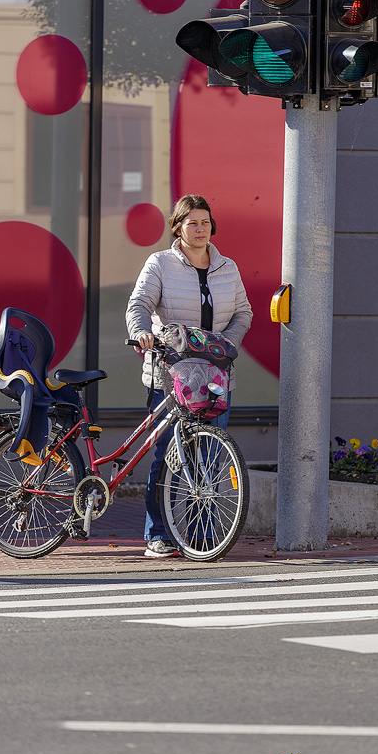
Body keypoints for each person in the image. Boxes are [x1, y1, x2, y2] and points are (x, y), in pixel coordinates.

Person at [126, 194, 253, 557]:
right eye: (192, 222)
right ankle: (158, 534)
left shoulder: (227, 267)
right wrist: (140, 332)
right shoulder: (161, 263)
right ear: (178, 227)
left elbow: (243, 312)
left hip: (214, 375)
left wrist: (226, 342)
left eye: (205, 222)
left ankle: (203, 534)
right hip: (170, 375)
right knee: (167, 453)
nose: (200, 229)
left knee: (209, 457)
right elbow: (139, 304)